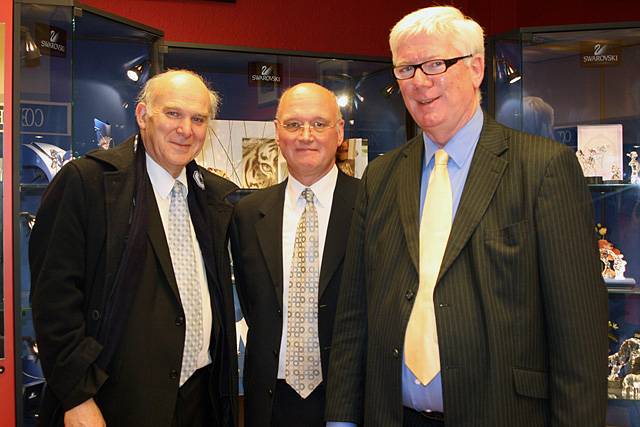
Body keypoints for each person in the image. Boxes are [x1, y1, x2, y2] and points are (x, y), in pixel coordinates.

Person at [325, 6, 607, 427]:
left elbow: (579, 335)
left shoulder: (543, 169)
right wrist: (342, 419)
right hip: (392, 415)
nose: (420, 81)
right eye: (406, 69)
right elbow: (354, 313)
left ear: (476, 68)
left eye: (436, 63)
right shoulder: (382, 175)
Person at [30, 70, 238, 427]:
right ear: (143, 116)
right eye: (173, 113)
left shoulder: (215, 198)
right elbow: (54, 300)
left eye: (198, 119)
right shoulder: (88, 183)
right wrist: (77, 396)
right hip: (111, 402)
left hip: (198, 401)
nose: (185, 129)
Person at [231, 82, 359, 427]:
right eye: (293, 124)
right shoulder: (247, 214)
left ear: (339, 132)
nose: (306, 135)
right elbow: (253, 302)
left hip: (350, 399)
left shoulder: (372, 206)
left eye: (319, 124)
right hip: (269, 402)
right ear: (277, 132)